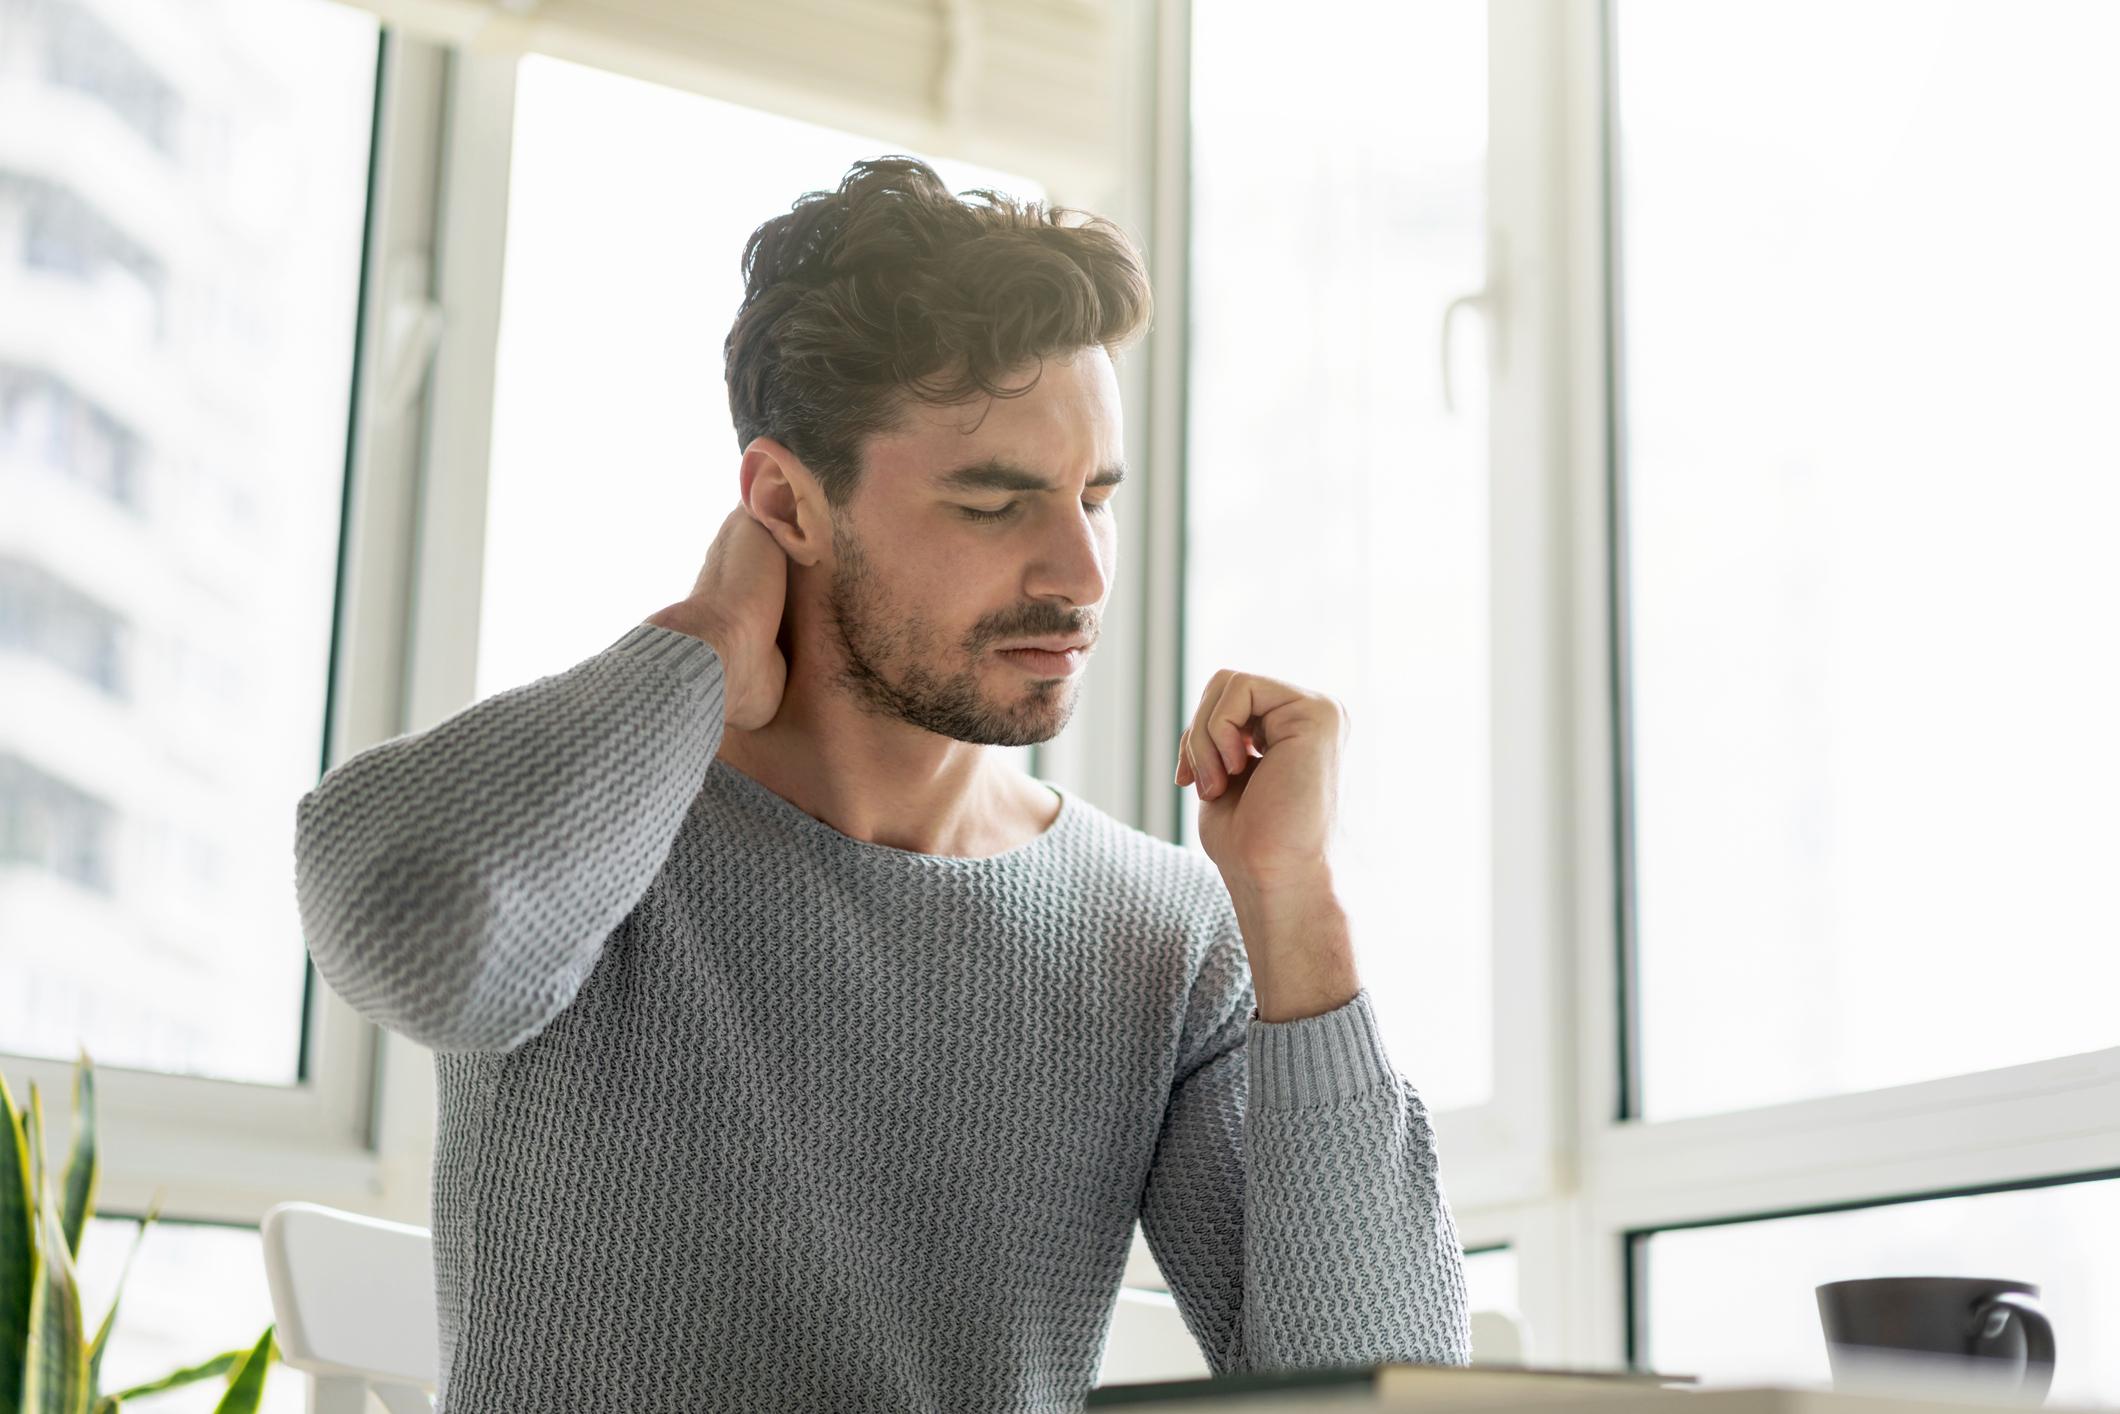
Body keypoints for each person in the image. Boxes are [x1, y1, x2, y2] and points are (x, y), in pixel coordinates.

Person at [293, 155, 1471, 1413]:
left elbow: (1371, 1389)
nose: (1078, 569)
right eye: (993, 501)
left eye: (1095, 497)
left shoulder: (1162, 937)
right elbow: (405, 936)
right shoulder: (584, 837)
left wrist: (1293, 905)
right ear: (784, 500)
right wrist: (698, 646)